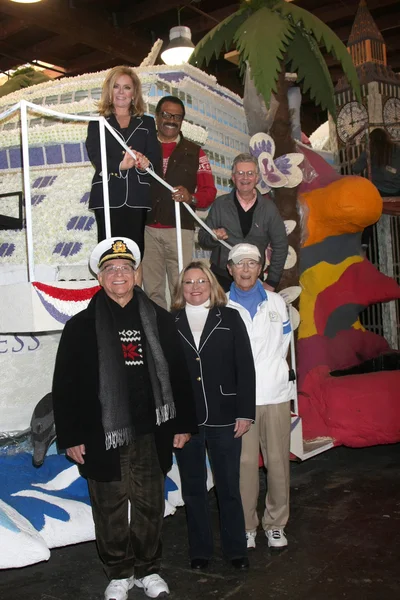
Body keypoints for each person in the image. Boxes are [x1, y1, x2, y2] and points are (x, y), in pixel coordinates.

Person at [52, 237, 197, 600]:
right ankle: (118, 572)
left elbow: (179, 374)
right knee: (110, 507)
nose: (119, 274)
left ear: (137, 275)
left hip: (152, 431)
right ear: (100, 278)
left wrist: (183, 424)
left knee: (150, 504)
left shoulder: (161, 321)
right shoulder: (80, 327)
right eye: (110, 269)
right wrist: (70, 435)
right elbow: (65, 384)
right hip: (102, 436)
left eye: (126, 268)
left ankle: (148, 570)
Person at [171, 261, 255, 570]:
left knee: (228, 487)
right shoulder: (171, 321)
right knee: (193, 489)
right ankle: (200, 551)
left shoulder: (230, 317)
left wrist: (245, 413)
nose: (195, 287)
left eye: (201, 281)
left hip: (225, 415)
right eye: (189, 282)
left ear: (211, 286)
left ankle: (236, 551)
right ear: (181, 288)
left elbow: (245, 368)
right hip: (187, 421)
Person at [226, 243, 293, 551]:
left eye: (252, 264)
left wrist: (273, 372)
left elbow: (284, 343)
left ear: (259, 269)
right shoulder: (221, 306)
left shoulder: (277, 303)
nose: (246, 269)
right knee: (245, 463)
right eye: (240, 264)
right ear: (230, 269)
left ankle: (276, 523)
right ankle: (246, 526)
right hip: (240, 401)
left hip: (276, 395)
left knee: (278, 462)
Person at [142, 96, 217, 309]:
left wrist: (191, 197)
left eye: (177, 116)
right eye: (166, 115)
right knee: (152, 289)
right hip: (147, 229)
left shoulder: (196, 152)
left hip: (179, 230)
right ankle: (158, 335)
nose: (171, 120)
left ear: (182, 120)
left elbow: (209, 192)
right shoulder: (144, 148)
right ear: (157, 117)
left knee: (181, 288)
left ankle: (180, 334)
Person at [86, 66, 160, 258]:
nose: (121, 92)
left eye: (126, 87)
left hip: (137, 196)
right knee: (109, 253)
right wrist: (120, 165)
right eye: (116, 86)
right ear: (109, 91)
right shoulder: (97, 123)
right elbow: (96, 156)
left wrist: (145, 164)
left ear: (134, 92)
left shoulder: (148, 122)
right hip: (107, 195)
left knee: (135, 253)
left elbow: (155, 160)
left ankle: (135, 289)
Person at [198, 152, 288, 292]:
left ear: (257, 178)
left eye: (250, 173)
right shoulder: (220, 205)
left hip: (253, 279)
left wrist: (272, 281)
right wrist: (213, 237)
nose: (245, 178)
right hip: (221, 279)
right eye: (240, 173)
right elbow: (202, 238)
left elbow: (281, 245)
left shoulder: (269, 209)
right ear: (233, 178)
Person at [352, 128, 400, 249]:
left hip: (379, 192)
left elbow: (356, 168)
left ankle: (364, 242)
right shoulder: (397, 149)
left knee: (368, 211)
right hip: (397, 191)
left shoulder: (370, 149)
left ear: (371, 140)